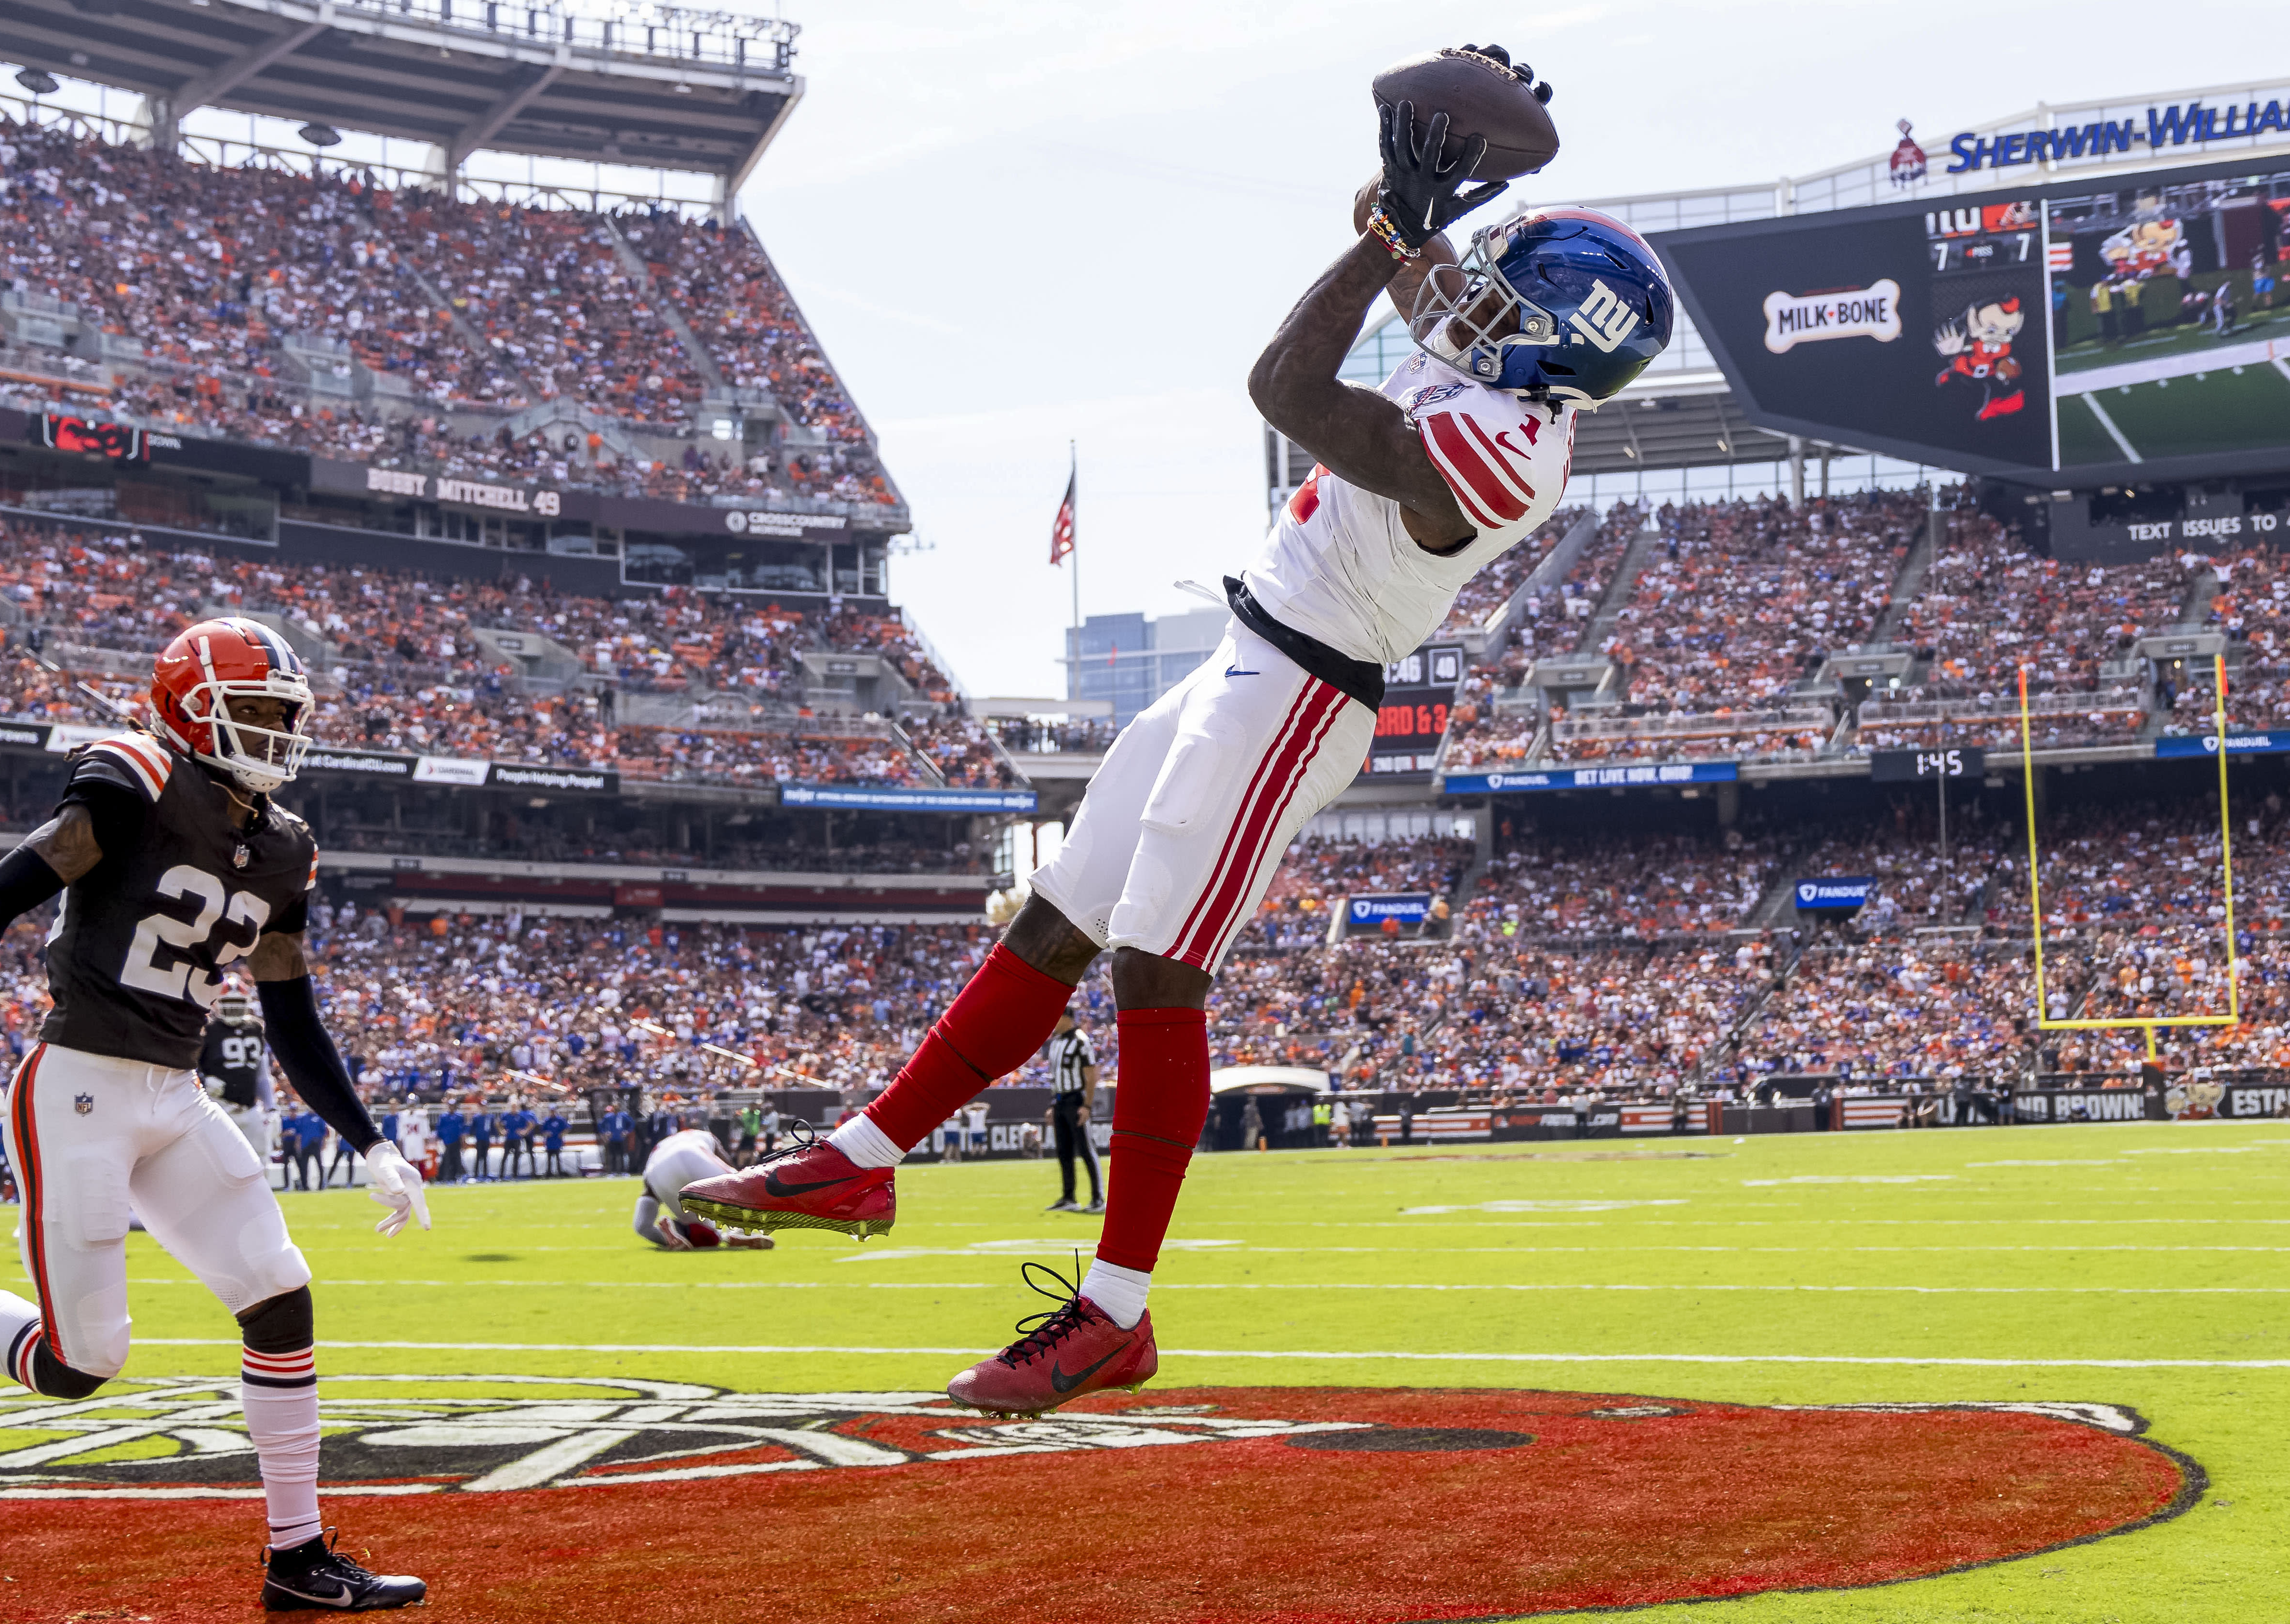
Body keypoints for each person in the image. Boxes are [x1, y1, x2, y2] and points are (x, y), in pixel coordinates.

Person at [687, 51, 1667, 1415]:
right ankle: (862, 1153)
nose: (1471, 297)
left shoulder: (1516, 446)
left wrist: (1399, 224)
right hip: (1245, 647)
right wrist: (1410, 184)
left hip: (1302, 686)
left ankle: (1116, 1310)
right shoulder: (1499, 366)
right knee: (1057, 915)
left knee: (1155, 961)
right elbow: (1383, 248)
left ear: (1560, 343)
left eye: (1504, 294)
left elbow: (1285, 382)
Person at [0, 617, 431, 1611]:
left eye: (284, 715)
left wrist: (373, 1142)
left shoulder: (283, 851)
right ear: (191, 710)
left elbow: (290, 1013)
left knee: (279, 1294)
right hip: (79, 1091)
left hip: (174, 1097)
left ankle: (296, 1554)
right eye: (256, 713)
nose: (275, 732)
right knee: (79, 1364)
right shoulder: (135, 775)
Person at [631, 1126, 772, 1251]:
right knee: (745, 1188)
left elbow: (649, 1191)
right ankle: (740, 1232)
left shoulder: (659, 1149)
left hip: (658, 1173)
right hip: (693, 1155)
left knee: (710, 1237)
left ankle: (675, 1231)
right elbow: (726, 1161)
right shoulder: (705, 1137)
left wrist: (643, 1224)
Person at [201, 988, 280, 1171]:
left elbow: (261, 1075)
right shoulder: (209, 1031)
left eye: (238, 1002)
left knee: (260, 1164)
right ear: (219, 1003)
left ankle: (260, 1201)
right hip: (218, 1107)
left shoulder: (255, 1029)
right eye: (229, 1002)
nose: (234, 1007)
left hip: (250, 1108)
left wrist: (271, 1107)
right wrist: (204, 1082)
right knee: (217, 1166)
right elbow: (189, 1069)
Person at [1045, 1007, 1103, 1214]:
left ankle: (1098, 1199)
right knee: (1064, 1151)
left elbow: (1091, 1075)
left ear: (1067, 1018)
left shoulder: (1081, 1040)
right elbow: (1056, 1078)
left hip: (1076, 1100)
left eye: (1057, 1017)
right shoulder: (1056, 1043)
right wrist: (1053, 1105)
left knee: (1086, 1150)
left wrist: (1086, 1105)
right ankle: (1069, 1197)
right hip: (1060, 1101)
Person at [541, 1104, 569, 1178]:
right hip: (549, 1143)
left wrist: (562, 1134)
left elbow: (567, 1128)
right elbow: (543, 1131)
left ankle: (560, 1173)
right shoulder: (547, 1120)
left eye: (553, 1111)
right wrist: (547, 1134)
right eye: (551, 1111)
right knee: (549, 1159)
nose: (552, 1112)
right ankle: (549, 1173)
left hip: (557, 1142)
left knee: (558, 1158)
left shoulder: (560, 1120)